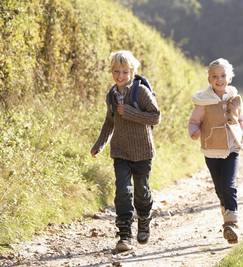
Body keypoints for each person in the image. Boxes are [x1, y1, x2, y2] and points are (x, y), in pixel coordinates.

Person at [90, 50, 161, 252]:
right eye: (116, 71)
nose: (119, 76)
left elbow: (155, 117)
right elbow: (109, 122)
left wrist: (129, 112)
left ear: (131, 71)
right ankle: (124, 236)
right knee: (123, 192)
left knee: (141, 192)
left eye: (124, 72)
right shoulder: (111, 95)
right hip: (120, 151)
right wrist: (99, 144)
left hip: (143, 152)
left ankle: (144, 218)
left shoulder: (140, 92)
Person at [188, 58, 243, 244]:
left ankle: (231, 224)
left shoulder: (234, 97)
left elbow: (240, 120)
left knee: (230, 185)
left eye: (223, 75)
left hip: (232, 147)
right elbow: (194, 122)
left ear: (229, 77)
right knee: (220, 188)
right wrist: (194, 132)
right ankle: (226, 209)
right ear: (209, 79)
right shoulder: (204, 101)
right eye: (215, 76)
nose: (219, 79)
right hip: (211, 150)